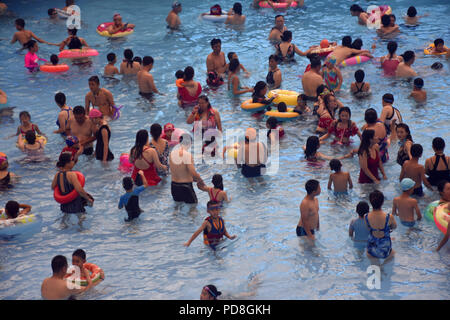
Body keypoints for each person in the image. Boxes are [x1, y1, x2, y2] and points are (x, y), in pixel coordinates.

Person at [170, 133, 205, 203]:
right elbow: (193, 172)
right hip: (185, 187)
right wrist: (200, 181)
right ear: (190, 143)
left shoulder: (172, 153)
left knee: (177, 208)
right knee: (193, 209)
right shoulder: (187, 155)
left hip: (174, 186)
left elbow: (175, 170)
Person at [365, 190, 397, 262]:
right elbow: (394, 227)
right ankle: (383, 265)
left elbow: (368, 228)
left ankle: (376, 264)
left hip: (371, 248)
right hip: (384, 250)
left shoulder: (366, 216)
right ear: (382, 202)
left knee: (368, 253)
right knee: (393, 253)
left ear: (370, 202)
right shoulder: (389, 217)